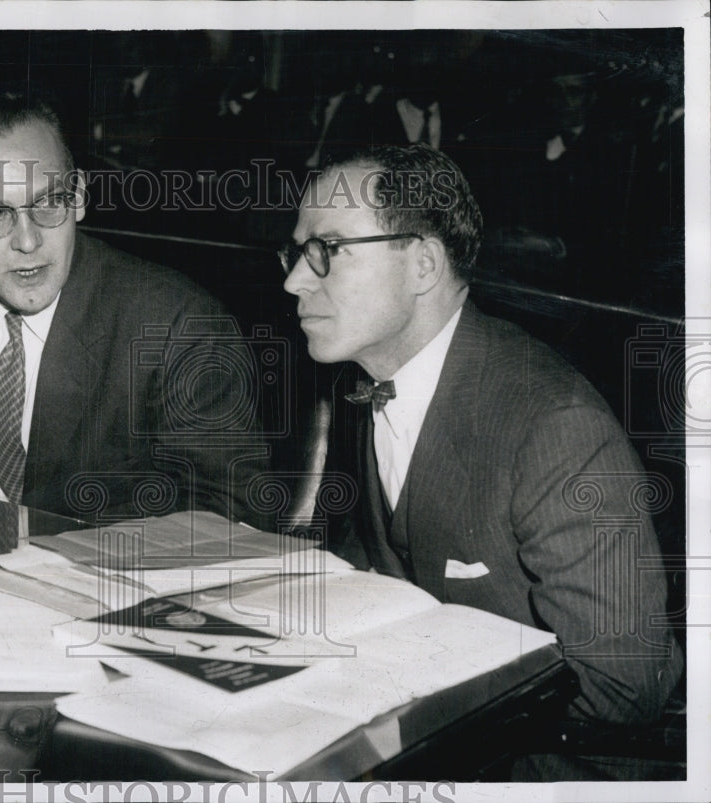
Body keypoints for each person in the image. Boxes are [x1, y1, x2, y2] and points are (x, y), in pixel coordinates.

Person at [280, 143, 682, 779]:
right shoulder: (361, 381)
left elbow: (622, 690)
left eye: (326, 249)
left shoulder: (556, 428)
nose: (295, 280)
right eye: (297, 252)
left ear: (423, 264)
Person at [0, 96, 268, 526]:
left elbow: (233, 514)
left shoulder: (176, 324)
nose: (28, 241)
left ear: (79, 196)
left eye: (48, 202)